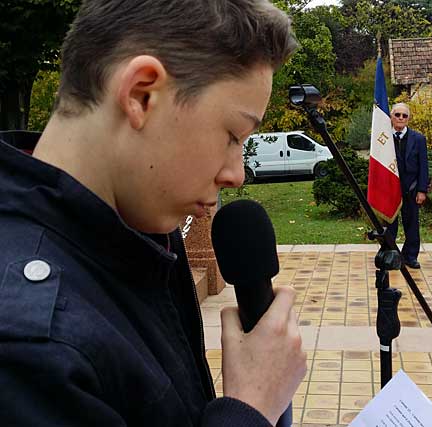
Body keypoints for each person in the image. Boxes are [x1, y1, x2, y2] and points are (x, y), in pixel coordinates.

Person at [0, 1, 306, 426]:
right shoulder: (30, 346)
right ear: (141, 94)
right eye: (234, 135)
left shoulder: (135, 231)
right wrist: (250, 409)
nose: (237, 175)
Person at [387, 103, 429, 269]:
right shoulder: (382, 139)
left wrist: (422, 190)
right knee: (390, 225)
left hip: (411, 188)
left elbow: (423, 166)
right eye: (397, 115)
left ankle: (410, 256)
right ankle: (390, 255)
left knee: (412, 224)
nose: (401, 118)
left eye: (404, 116)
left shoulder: (418, 139)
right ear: (391, 116)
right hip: (390, 188)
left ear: (408, 119)